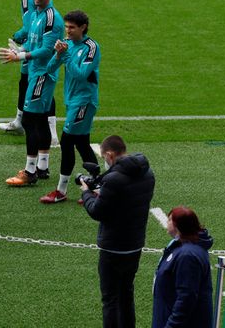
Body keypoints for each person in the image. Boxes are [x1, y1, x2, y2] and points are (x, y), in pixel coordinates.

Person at [80, 135, 155, 328]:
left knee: (110, 300)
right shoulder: (147, 173)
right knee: (126, 294)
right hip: (135, 244)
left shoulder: (114, 180)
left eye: (105, 157)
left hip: (113, 247)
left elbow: (97, 211)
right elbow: (129, 199)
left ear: (111, 155)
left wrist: (87, 193)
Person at [0, 0, 63, 186]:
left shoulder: (52, 18)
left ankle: (29, 171)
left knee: (29, 121)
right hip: (37, 72)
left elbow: (47, 50)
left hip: (42, 75)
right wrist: (19, 50)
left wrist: (21, 57)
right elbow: (33, 43)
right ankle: (42, 167)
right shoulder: (36, 14)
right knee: (41, 119)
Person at [40, 10, 101, 203]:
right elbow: (49, 69)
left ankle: (61, 190)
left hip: (84, 101)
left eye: (71, 27)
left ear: (83, 27)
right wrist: (58, 54)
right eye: (66, 27)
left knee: (67, 141)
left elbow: (81, 74)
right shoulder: (67, 45)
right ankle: (98, 187)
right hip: (73, 100)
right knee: (82, 143)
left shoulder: (91, 47)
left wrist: (65, 56)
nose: (67, 31)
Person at [152, 207, 213, 328]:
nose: (167, 222)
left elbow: (186, 298)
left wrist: (171, 325)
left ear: (177, 226)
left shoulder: (187, 256)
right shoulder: (184, 247)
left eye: (170, 220)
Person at [0, 0, 36, 135]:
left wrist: (16, 37)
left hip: (32, 47)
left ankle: (22, 122)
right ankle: (22, 121)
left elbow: (29, 27)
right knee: (33, 84)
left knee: (28, 83)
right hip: (36, 45)